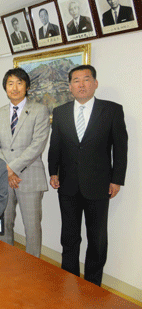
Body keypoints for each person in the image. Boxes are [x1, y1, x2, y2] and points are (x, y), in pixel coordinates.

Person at [48, 65, 128, 286]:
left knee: (97, 239)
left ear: (95, 83)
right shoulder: (60, 111)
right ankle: (69, 278)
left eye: (86, 79)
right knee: (69, 237)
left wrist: (117, 179)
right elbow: (55, 146)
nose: (81, 84)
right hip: (68, 185)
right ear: (70, 86)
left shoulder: (112, 110)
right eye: (76, 80)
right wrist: (52, 172)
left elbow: (120, 148)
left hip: (99, 185)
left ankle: (93, 285)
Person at [0, 68, 50, 257]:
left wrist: (10, 169)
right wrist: (7, 172)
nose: (14, 88)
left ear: (27, 86)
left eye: (19, 83)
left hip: (30, 177)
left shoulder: (39, 110)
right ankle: (6, 264)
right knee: (4, 224)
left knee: (32, 227)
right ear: (5, 87)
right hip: (3, 179)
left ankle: (34, 268)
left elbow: (37, 145)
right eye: (10, 83)